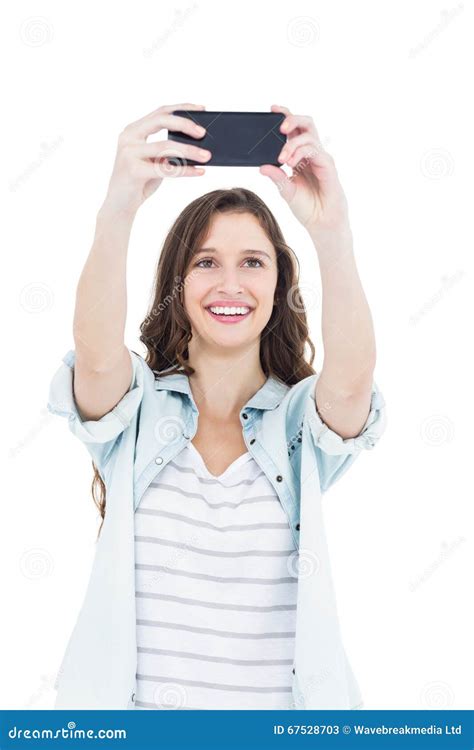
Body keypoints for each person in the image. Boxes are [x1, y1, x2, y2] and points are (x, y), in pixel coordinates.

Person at [47, 102, 387, 710]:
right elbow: (95, 357)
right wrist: (119, 204)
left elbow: (352, 383)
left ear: (279, 284)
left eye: (252, 263)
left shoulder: (299, 424)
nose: (230, 285)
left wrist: (331, 232)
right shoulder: (138, 412)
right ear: (178, 285)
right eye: (206, 262)